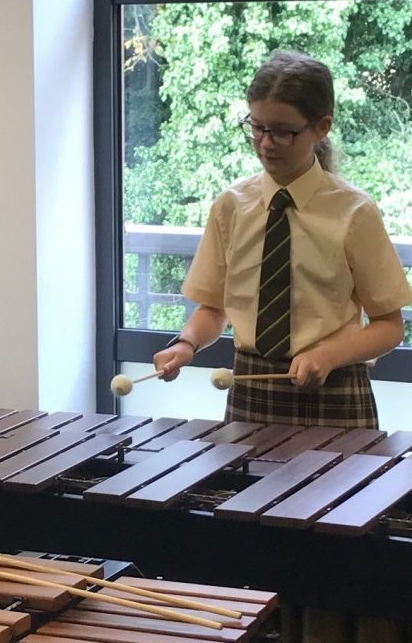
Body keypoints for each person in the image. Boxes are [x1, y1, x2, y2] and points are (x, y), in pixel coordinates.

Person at [153, 49, 412, 428]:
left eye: (282, 131)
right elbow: (213, 308)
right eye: (256, 127)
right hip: (251, 389)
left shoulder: (354, 212)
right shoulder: (231, 206)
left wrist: (328, 355)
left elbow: (390, 326)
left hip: (335, 389)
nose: (265, 143)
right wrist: (185, 343)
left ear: (321, 127)